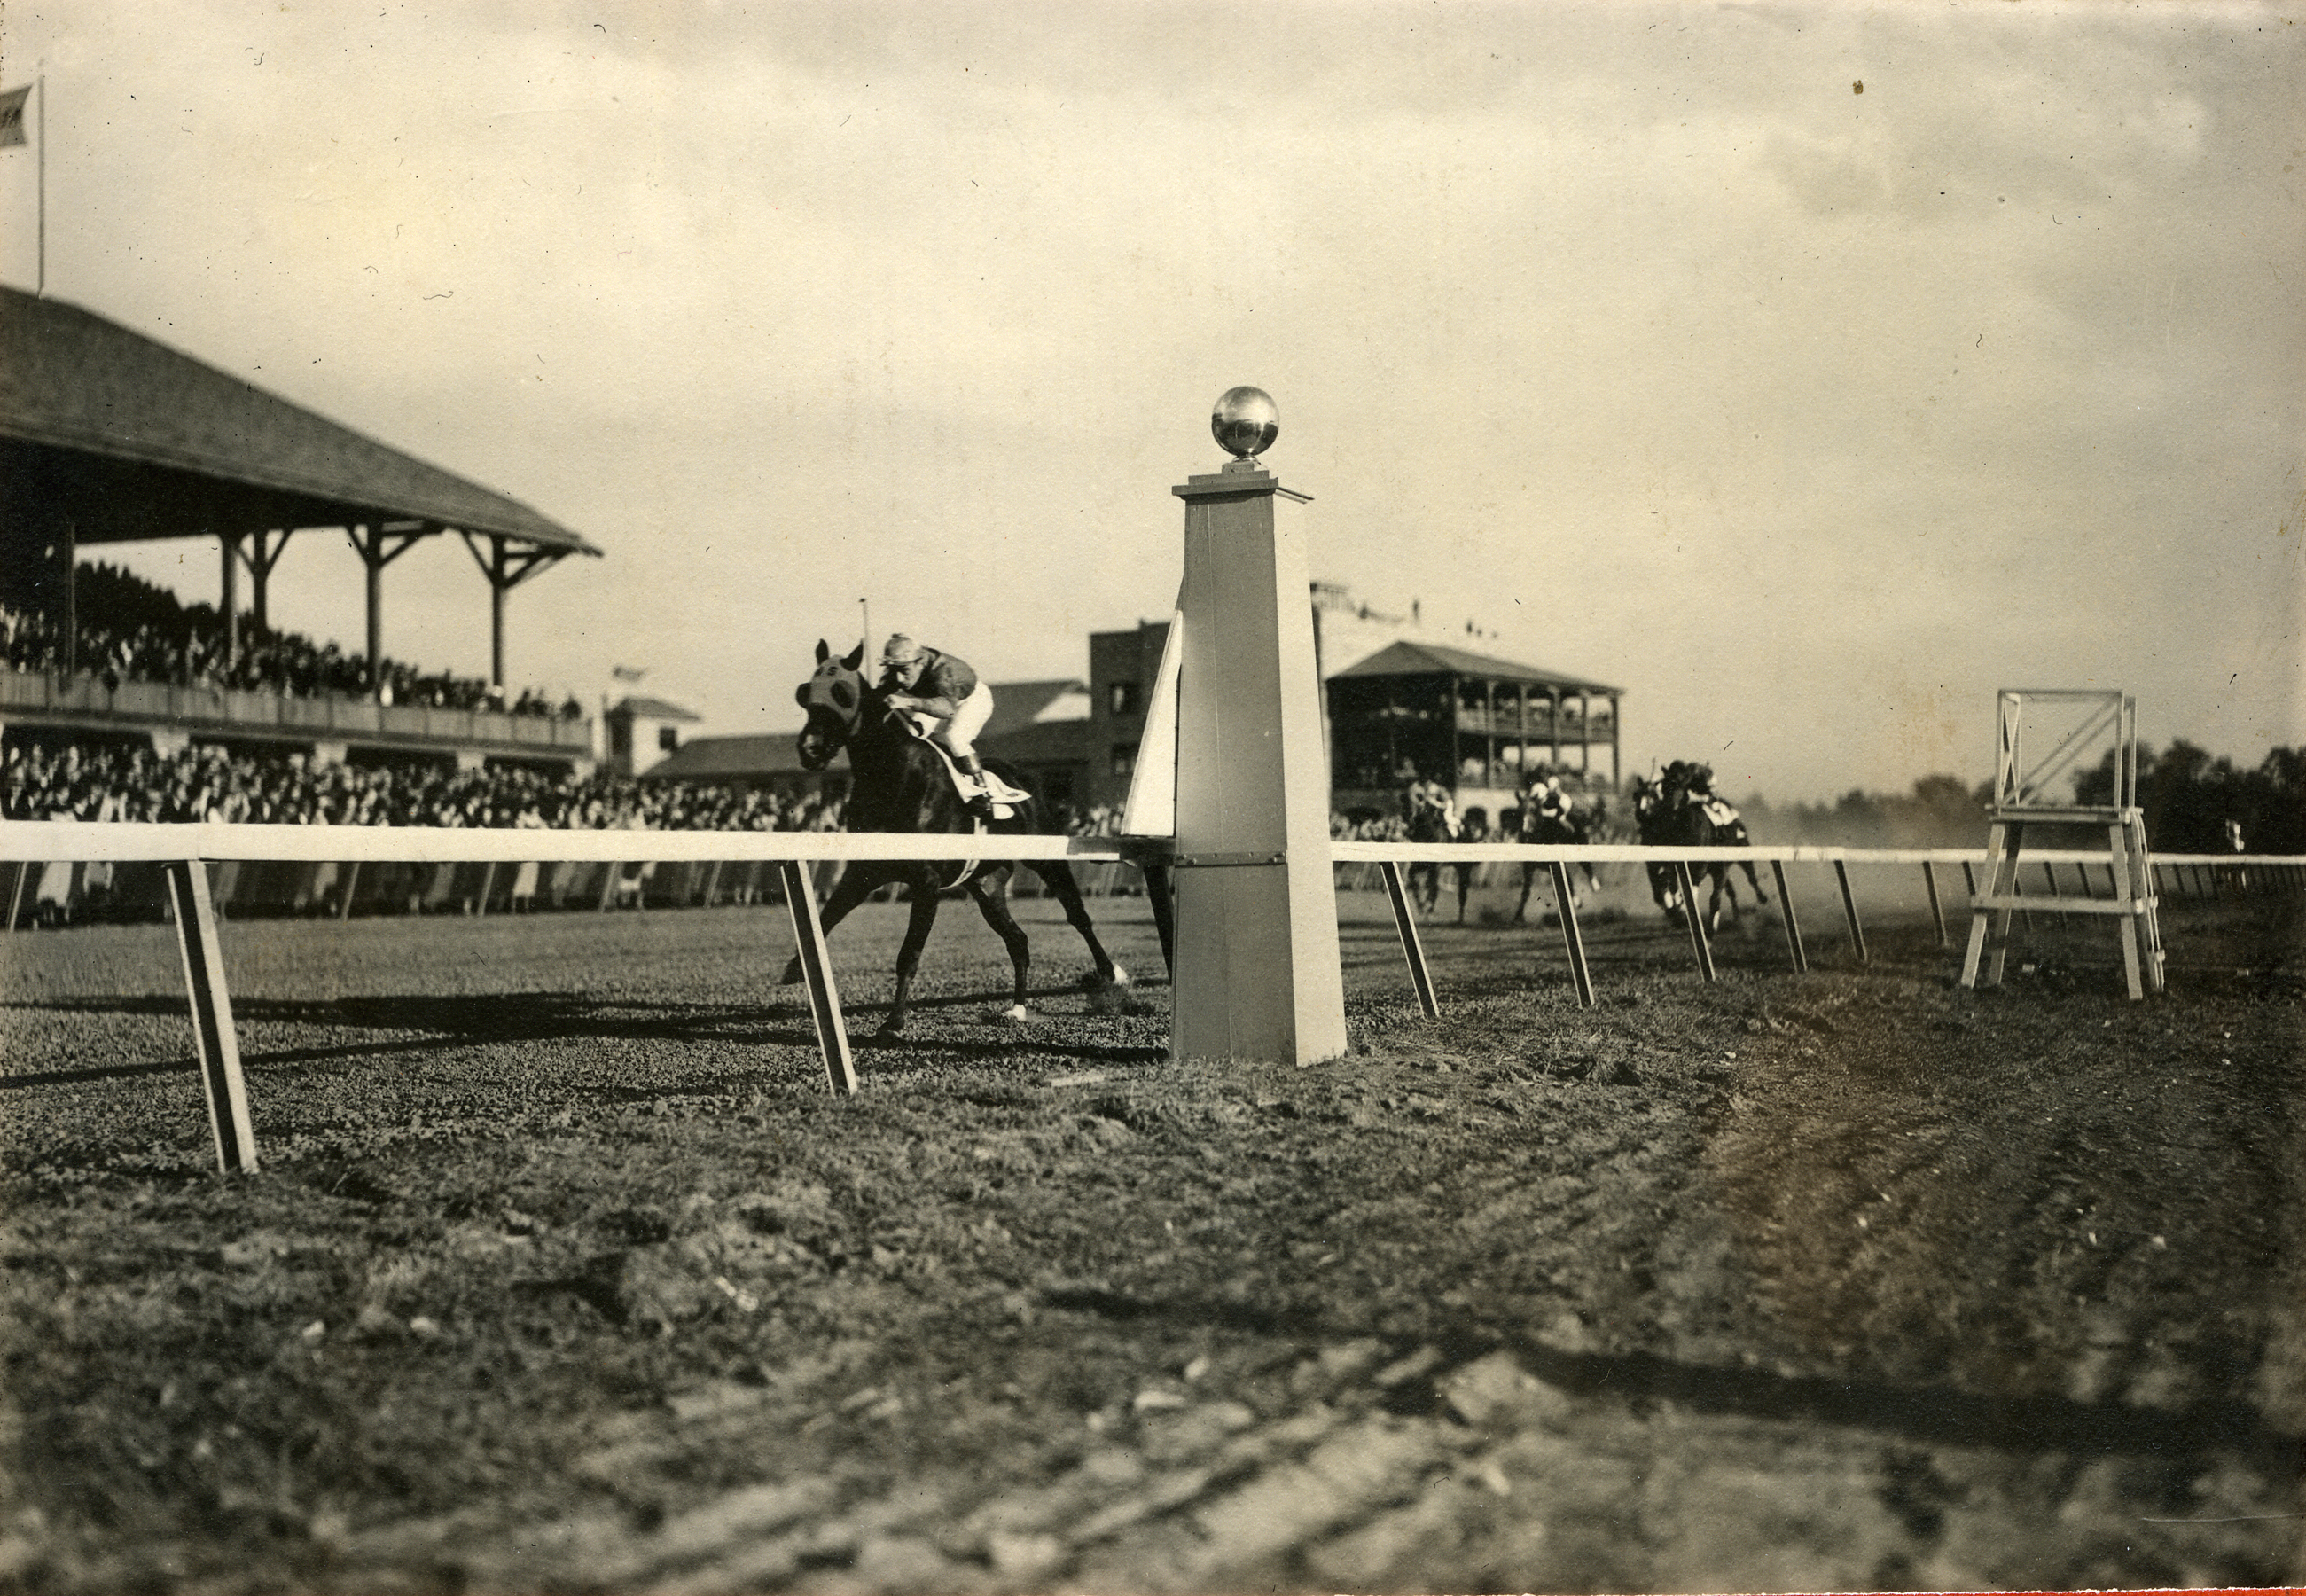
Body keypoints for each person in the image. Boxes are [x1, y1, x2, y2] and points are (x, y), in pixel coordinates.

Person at [879, 634, 998, 822]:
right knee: (912, 733)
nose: (898, 678)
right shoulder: (904, 668)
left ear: (920, 662)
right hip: (934, 700)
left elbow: (947, 709)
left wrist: (907, 702)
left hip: (968, 702)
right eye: (893, 670)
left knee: (954, 737)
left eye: (904, 671)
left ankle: (982, 792)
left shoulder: (943, 671)